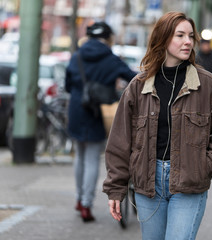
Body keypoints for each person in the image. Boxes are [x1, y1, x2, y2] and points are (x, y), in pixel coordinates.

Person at [103, 11, 212, 239]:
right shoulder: (138, 87)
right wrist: (115, 189)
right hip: (148, 185)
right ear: (163, 38)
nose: (188, 41)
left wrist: (202, 167)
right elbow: (119, 142)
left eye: (190, 36)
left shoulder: (207, 86)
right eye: (180, 35)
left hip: (188, 186)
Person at [65, 21, 137, 222]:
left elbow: (68, 85)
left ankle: (80, 199)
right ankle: (87, 204)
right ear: (108, 38)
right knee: (92, 158)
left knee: (79, 155)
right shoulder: (111, 59)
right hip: (99, 110)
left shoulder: (77, 56)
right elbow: (133, 78)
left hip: (77, 109)